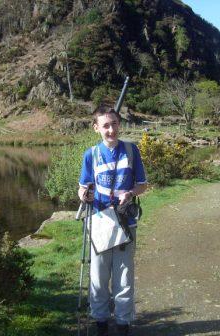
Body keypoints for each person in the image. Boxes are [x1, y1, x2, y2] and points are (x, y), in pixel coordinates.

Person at [78, 104, 147, 336]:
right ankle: (100, 323)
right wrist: (84, 194)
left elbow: (143, 185)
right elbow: (83, 187)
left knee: (124, 276)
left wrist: (131, 193)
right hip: (99, 221)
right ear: (96, 128)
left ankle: (123, 324)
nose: (111, 130)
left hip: (126, 221)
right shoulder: (91, 154)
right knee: (98, 276)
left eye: (114, 124)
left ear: (120, 124)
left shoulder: (131, 150)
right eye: (105, 125)